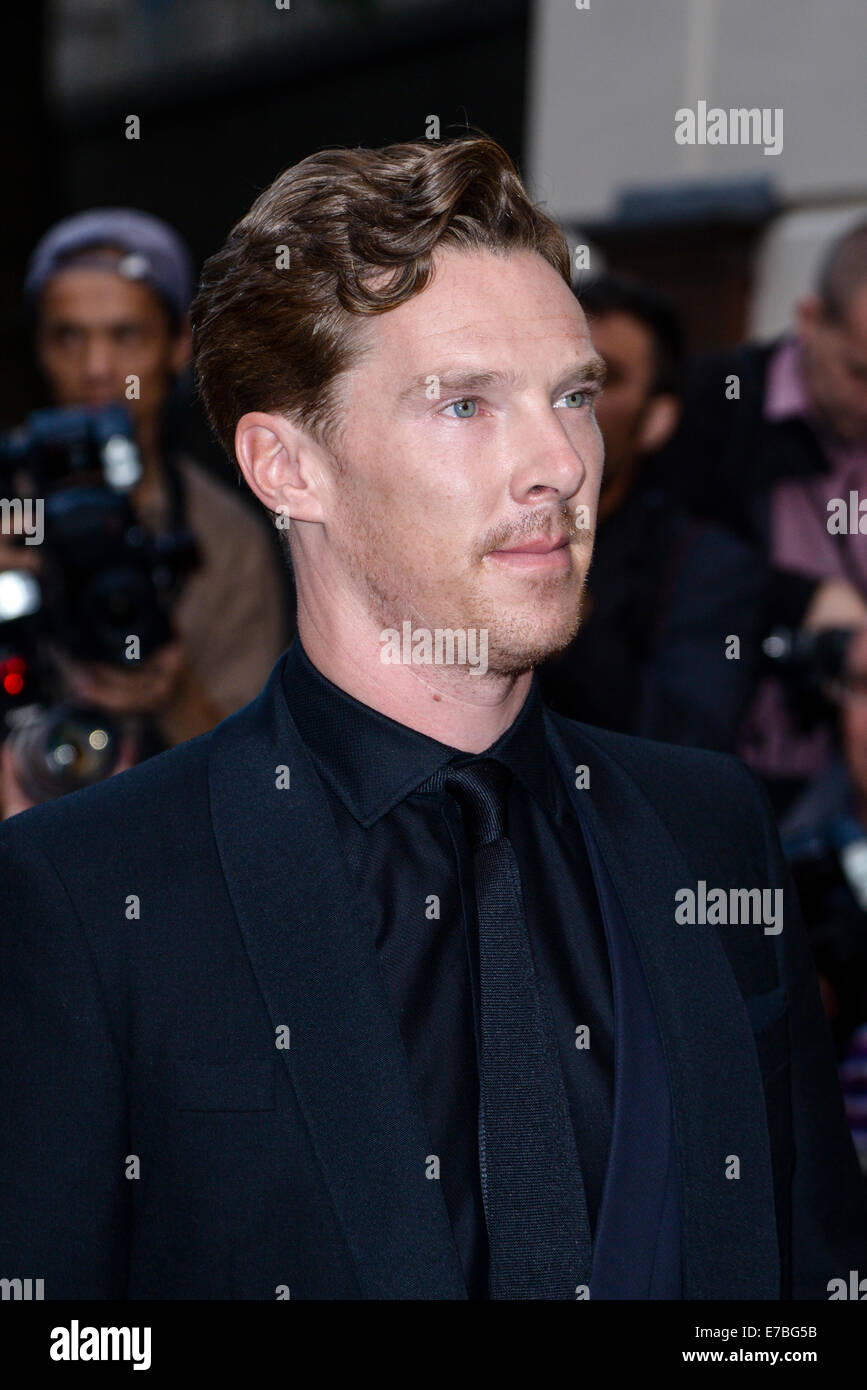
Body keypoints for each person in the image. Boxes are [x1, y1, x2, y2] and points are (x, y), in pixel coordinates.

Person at [0, 136, 864, 1301]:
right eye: (466, 403)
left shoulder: (708, 829)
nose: (559, 462)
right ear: (287, 466)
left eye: (573, 395)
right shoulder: (88, 889)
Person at [0, 210, 287, 799]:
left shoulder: (224, 540)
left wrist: (173, 692)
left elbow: (260, 782)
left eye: (125, 335)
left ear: (178, 344)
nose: (97, 369)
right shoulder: (8, 510)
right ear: (38, 349)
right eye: (68, 337)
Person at [658, 219, 867, 812]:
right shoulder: (712, 403)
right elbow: (657, 560)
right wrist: (801, 600)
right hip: (720, 774)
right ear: (808, 322)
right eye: (859, 374)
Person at [538, 274, 765, 749]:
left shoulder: (706, 564)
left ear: (656, 420)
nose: (566, 401)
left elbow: (689, 749)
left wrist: (573, 619)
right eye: (554, 375)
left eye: (602, 380)